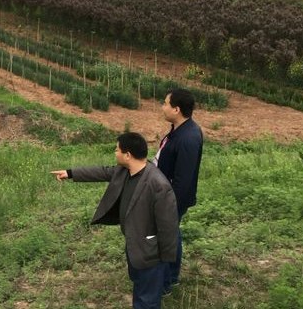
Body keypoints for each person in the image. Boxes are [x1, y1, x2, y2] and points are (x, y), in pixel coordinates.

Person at [51, 132, 178, 309]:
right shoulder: (125, 171)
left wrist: (164, 262)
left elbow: (169, 228)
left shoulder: (158, 185)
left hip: (150, 253)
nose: (114, 152)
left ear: (128, 155)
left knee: (146, 301)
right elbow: (102, 172)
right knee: (140, 287)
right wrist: (70, 173)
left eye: (117, 149)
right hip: (134, 244)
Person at [154, 88, 203, 294]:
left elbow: (183, 180)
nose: (162, 107)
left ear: (176, 109)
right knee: (172, 234)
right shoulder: (178, 129)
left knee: (167, 237)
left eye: (165, 103)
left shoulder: (188, 138)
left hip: (172, 198)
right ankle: (170, 277)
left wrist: (168, 204)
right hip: (165, 194)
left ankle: (167, 281)